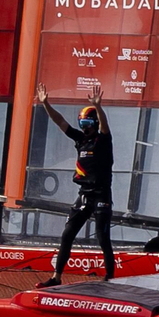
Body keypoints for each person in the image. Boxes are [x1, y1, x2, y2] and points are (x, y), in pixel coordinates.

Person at [35, 83, 115, 286]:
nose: (84, 127)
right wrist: (46, 104)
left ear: (95, 123)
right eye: (82, 124)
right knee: (67, 234)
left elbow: (105, 126)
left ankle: (110, 279)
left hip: (101, 195)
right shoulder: (80, 140)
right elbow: (60, 122)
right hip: (84, 194)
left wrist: (98, 107)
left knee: (102, 237)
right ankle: (56, 277)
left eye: (88, 123)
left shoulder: (103, 140)